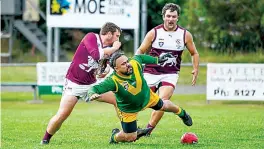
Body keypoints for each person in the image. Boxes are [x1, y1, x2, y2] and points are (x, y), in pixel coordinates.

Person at [41, 22, 122, 144]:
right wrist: (115, 48)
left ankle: (128, 130)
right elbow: (96, 55)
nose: (118, 40)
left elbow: (106, 66)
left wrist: (104, 71)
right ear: (109, 34)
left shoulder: (108, 49)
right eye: (117, 36)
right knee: (63, 114)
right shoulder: (91, 37)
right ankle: (45, 139)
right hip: (74, 83)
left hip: (92, 84)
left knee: (118, 99)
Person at [87, 51, 192, 143]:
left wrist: (157, 59)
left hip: (148, 98)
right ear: (116, 68)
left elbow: (140, 57)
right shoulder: (112, 80)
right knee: (130, 137)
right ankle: (114, 137)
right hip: (128, 110)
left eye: (127, 61)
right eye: (124, 64)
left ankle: (182, 114)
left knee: (165, 104)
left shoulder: (134, 63)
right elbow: (95, 88)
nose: (128, 64)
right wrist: (92, 94)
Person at [135, 3, 199, 135]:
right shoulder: (154, 32)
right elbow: (141, 49)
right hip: (150, 73)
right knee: (139, 102)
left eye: (174, 16)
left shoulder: (185, 35)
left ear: (178, 17)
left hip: (170, 74)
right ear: (163, 16)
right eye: (168, 16)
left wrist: (195, 69)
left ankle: (147, 131)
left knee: (162, 102)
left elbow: (194, 53)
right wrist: (135, 63)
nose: (171, 19)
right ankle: (180, 112)